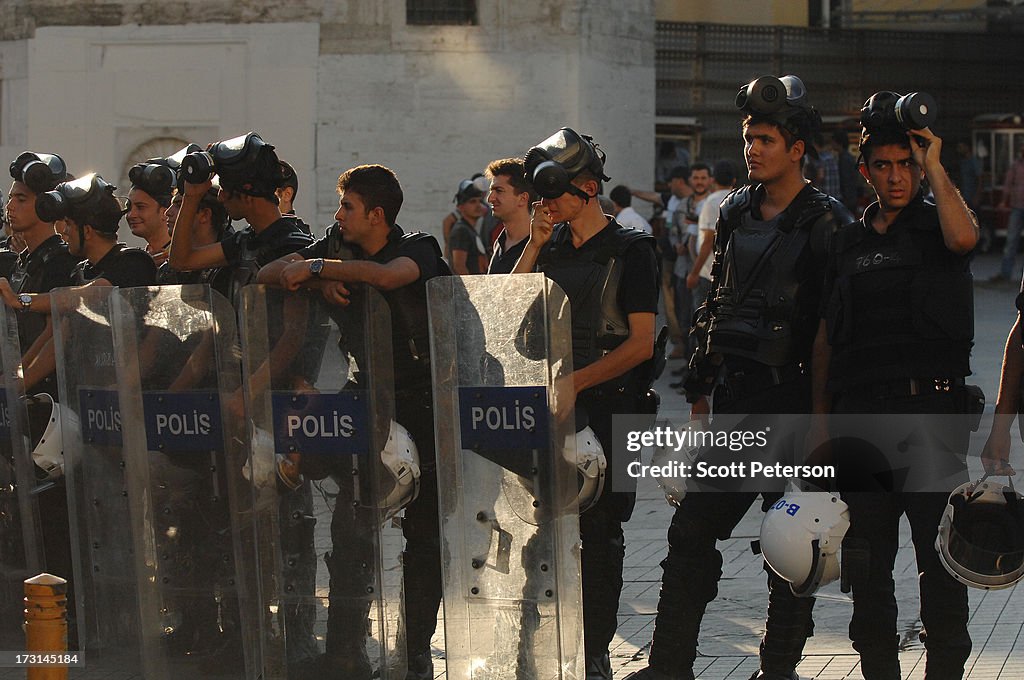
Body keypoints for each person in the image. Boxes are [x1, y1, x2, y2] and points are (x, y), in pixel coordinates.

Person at [627, 75, 853, 680]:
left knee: (794, 545)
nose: (753, 148)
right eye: (749, 137)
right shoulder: (733, 210)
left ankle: (777, 669)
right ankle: (669, 664)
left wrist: (822, 426)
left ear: (797, 147)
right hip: (735, 404)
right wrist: (701, 396)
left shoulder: (827, 221)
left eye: (767, 139)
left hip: (795, 404)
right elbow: (716, 303)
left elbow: (834, 326)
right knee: (690, 534)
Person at [258, 164, 448, 680]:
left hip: (423, 401)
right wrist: (318, 276)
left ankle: (414, 654)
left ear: (378, 215)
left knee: (424, 536)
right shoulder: (336, 248)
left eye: (347, 207)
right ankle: (345, 649)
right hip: (364, 396)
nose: (337, 216)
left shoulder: (421, 248)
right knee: (351, 526)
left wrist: (324, 271)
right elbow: (271, 272)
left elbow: (390, 278)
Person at [812, 96, 979, 680]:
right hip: (861, 420)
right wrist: (821, 423)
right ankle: (879, 669)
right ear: (866, 171)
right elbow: (828, 336)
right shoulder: (846, 243)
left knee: (942, 566)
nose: (895, 175)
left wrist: (935, 161)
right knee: (869, 562)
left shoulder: (939, 225)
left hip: (932, 414)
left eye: (905, 163)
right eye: (883, 165)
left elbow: (966, 240)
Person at [515, 127, 659, 680]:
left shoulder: (632, 250)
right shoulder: (545, 247)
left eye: (556, 190)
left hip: (609, 405)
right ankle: (537, 641)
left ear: (590, 187)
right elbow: (506, 305)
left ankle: (594, 648)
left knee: (600, 537)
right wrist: (533, 241)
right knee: (542, 524)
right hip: (554, 409)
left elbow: (641, 342)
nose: (547, 201)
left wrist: (578, 381)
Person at [633, 165, 691, 359]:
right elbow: (653, 196)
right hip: (669, 258)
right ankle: (678, 342)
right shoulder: (671, 199)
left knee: (685, 303)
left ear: (680, 181)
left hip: (685, 259)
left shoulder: (691, 203)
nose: (668, 185)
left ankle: (686, 344)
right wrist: (632, 192)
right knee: (670, 302)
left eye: (671, 181)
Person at [686, 160, 736, 324]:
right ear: (734, 181)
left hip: (708, 272)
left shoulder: (712, 202)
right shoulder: (739, 199)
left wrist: (694, 272)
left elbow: (708, 241)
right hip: (731, 272)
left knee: (701, 321)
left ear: (712, 180)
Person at [484, 158, 535, 275]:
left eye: (499, 190)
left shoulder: (543, 247)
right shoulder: (499, 243)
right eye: (491, 191)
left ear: (522, 198)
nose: (490, 198)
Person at [127, 160, 175, 266]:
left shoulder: (181, 258)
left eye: (140, 207)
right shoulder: (138, 261)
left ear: (165, 212)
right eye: (129, 207)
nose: (131, 215)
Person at [991, 145, 1024, 285]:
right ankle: (1006, 273)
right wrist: (1004, 201)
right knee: (1011, 241)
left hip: (1018, 206)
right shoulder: (1016, 166)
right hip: (1017, 207)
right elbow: (1007, 184)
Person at [448, 179, 489, 275]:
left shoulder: (469, 229)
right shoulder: (461, 230)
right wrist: (471, 289)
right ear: (461, 207)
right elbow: (459, 266)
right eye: (472, 202)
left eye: (480, 201)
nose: (478, 205)